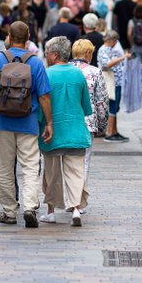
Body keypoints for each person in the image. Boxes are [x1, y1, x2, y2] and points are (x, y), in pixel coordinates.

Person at [0, 21, 53, 228]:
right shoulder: (36, 63)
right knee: (30, 167)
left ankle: (10, 212)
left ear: (8, 37)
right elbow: (45, 96)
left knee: (5, 167)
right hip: (28, 122)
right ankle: (29, 207)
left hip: (2, 122)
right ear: (28, 37)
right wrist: (49, 122)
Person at [38, 37, 91, 226]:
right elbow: (86, 107)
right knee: (76, 173)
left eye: (46, 52)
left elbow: (40, 104)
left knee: (51, 174)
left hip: (51, 132)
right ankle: (76, 209)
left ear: (54, 54)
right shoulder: (78, 74)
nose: (45, 55)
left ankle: (51, 211)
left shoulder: (46, 74)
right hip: (76, 130)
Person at [69, 39, 108, 179]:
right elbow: (101, 102)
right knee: (84, 162)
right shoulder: (95, 72)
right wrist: (102, 125)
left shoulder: (63, 69)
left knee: (66, 161)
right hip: (87, 123)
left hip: (65, 121)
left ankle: (67, 194)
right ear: (87, 53)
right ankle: (79, 196)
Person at [97, 31, 130, 142]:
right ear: (111, 40)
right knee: (112, 106)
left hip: (116, 82)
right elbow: (106, 65)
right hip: (110, 82)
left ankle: (114, 131)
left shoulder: (110, 49)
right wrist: (123, 57)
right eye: (115, 41)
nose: (116, 43)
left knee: (115, 107)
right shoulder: (103, 50)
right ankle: (109, 132)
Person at [127, 4, 142, 69]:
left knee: (135, 65)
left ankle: (136, 78)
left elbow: (129, 34)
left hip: (135, 46)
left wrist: (131, 43)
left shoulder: (131, 21)